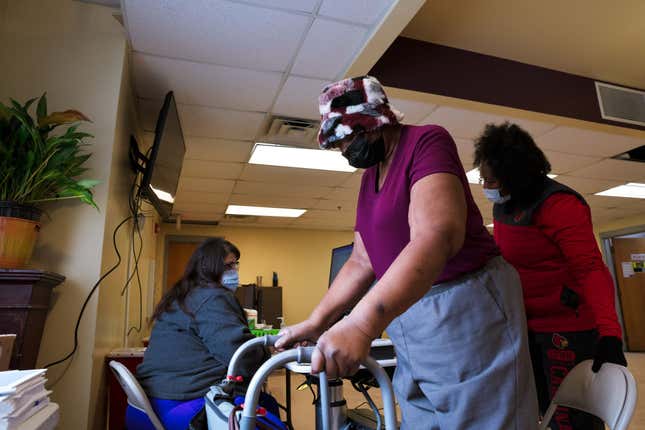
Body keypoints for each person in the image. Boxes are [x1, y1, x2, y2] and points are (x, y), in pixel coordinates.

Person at [275, 76, 538, 429]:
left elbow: (437, 236)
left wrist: (362, 323)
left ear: (376, 121)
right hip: (410, 316)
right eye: (337, 142)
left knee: (482, 418)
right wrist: (317, 321)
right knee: (421, 417)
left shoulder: (426, 140)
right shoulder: (371, 176)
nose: (343, 148)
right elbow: (362, 259)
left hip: (465, 307)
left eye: (349, 136)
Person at [473, 122, 628, 430]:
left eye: (490, 179)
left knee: (569, 420)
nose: (485, 185)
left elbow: (590, 269)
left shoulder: (559, 204)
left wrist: (610, 332)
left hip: (566, 329)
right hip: (526, 327)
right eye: (482, 177)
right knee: (540, 411)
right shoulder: (505, 205)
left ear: (514, 177)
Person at [128, 238, 268, 430]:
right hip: (184, 405)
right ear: (208, 268)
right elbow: (242, 358)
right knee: (269, 415)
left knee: (266, 402)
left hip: (151, 403)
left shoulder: (182, 295)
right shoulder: (212, 297)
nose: (234, 272)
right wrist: (269, 349)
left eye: (235, 264)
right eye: (228, 266)